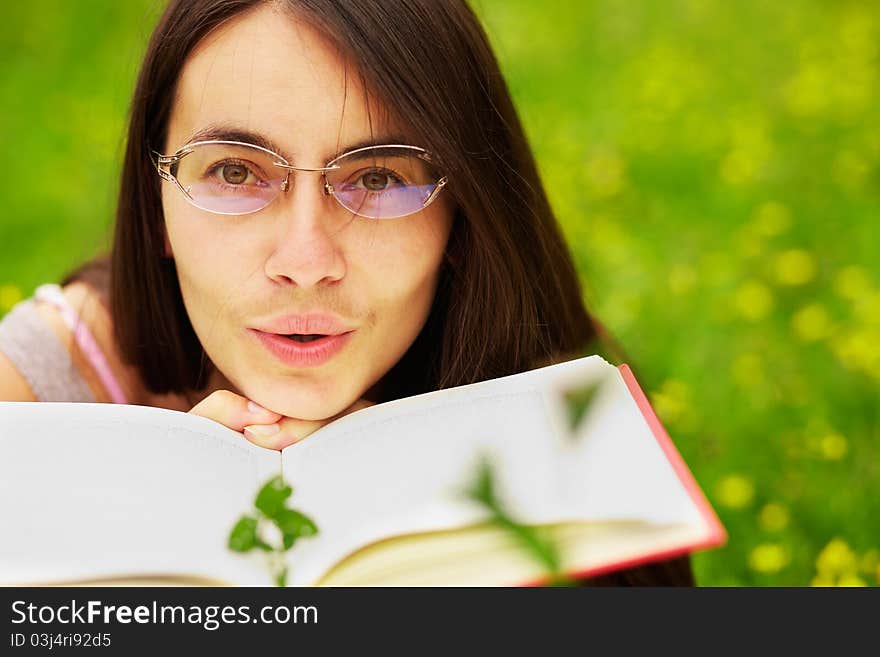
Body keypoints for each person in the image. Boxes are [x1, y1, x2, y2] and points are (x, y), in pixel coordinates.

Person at [0, 0, 693, 586]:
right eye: (237, 172)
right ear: (156, 208)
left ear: (463, 215)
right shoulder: (40, 389)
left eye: (379, 178)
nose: (306, 261)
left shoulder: (558, 439)